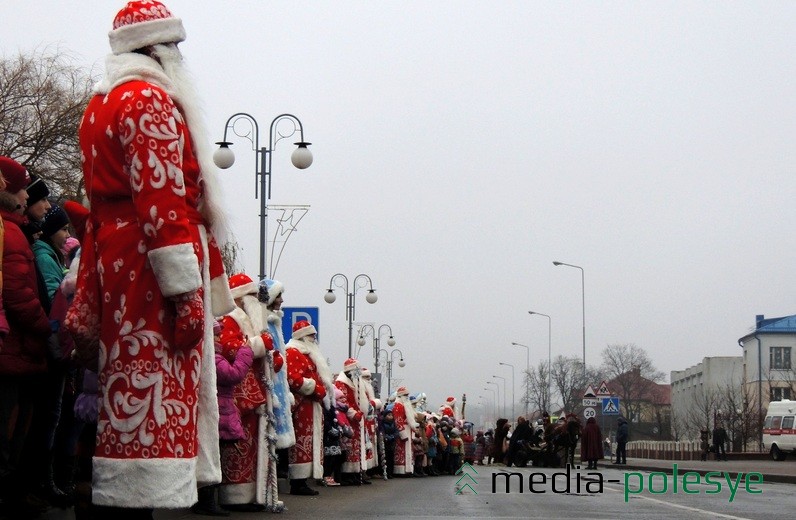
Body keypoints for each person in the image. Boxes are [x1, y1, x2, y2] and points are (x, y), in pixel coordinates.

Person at [73, 1, 236, 514]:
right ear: (159, 49)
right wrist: (186, 292)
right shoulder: (149, 100)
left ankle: (117, 499)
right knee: (154, 387)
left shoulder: (101, 104)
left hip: (115, 261)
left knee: (123, 387)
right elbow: (164, 204)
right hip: (149, 267)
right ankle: (134, 502)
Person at [0, 156, 52, 517]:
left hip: (16, 348)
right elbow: (19, 296)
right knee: (9, 429)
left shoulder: (15, 230)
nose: (36, 201)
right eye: (24, 189)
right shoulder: (11, 233)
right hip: (12, 348)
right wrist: (47, 326)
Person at [217, 274, 280, 513]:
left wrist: (273, 358)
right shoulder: (230, 319)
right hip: (237, 394)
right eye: (252, 295)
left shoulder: (251, 322)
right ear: (242, 297)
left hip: (253, 392)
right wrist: (261, 344)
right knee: (238, 446)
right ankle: (235, 496)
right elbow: (230, 347)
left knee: (254, 445)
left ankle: (252, 494)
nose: (256, 300)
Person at [284, 320, 334, 496]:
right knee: (300, 443)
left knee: (307, 442)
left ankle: (303, 480)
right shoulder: (293, 352)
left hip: (310, 406)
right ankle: (298, 482)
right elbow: (293, 379)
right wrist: (316, 388)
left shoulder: (305, 353)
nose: (314, 339)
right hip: (301, 406)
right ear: (304, 336)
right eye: (312, 336)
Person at [334, 359, 367, 485]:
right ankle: (346, 474)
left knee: (355, 448)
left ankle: (354, 473)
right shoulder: (341, 383)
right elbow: (343, 402)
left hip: (355, 421)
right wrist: (353, 413)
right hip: (346, 420)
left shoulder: (355, 383)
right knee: (347, 448)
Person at [392, 386, 418, 477]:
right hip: (402, 430)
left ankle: (408, 470)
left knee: (408, 451)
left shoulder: (406, 405)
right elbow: (398, 420)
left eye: (408, 395)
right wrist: (402, 433)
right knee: (401, 451)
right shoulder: (398, 405)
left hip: (408, 429)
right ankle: (401, 470)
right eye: (405, 395)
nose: (407, 396)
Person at [380, 410, 397, 478]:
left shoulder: (393, 423)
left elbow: (396, 431)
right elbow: (382, 431)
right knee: (386, 457)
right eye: (389, 415)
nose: (391, 417)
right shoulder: (382, 423)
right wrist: (386, 437)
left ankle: (391, 472)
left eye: (391, 415)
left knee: (391, 457)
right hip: (386, 441)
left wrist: (393, 436)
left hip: (392, 441)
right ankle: (385, 472)